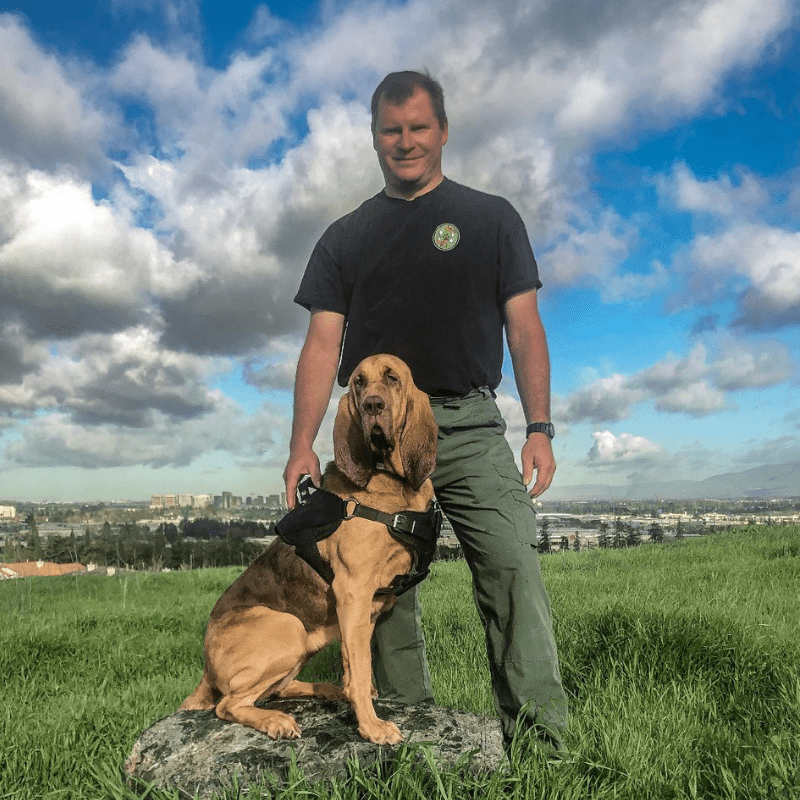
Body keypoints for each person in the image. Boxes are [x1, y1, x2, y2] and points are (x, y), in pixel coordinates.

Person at [283, 70, 568, 753]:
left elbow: (524, 327)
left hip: (466, 426)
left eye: (417, 127)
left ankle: (544, 748)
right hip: (372, 433)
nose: (404, 142)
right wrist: (301, 446)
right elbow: (323, 345)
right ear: (375, 137)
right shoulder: (345, 236)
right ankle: (404, 734)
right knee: (380, 591)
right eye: (390, 129)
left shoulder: (491, 218)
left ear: (442, 130)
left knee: (510, 567)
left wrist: (539, 427)